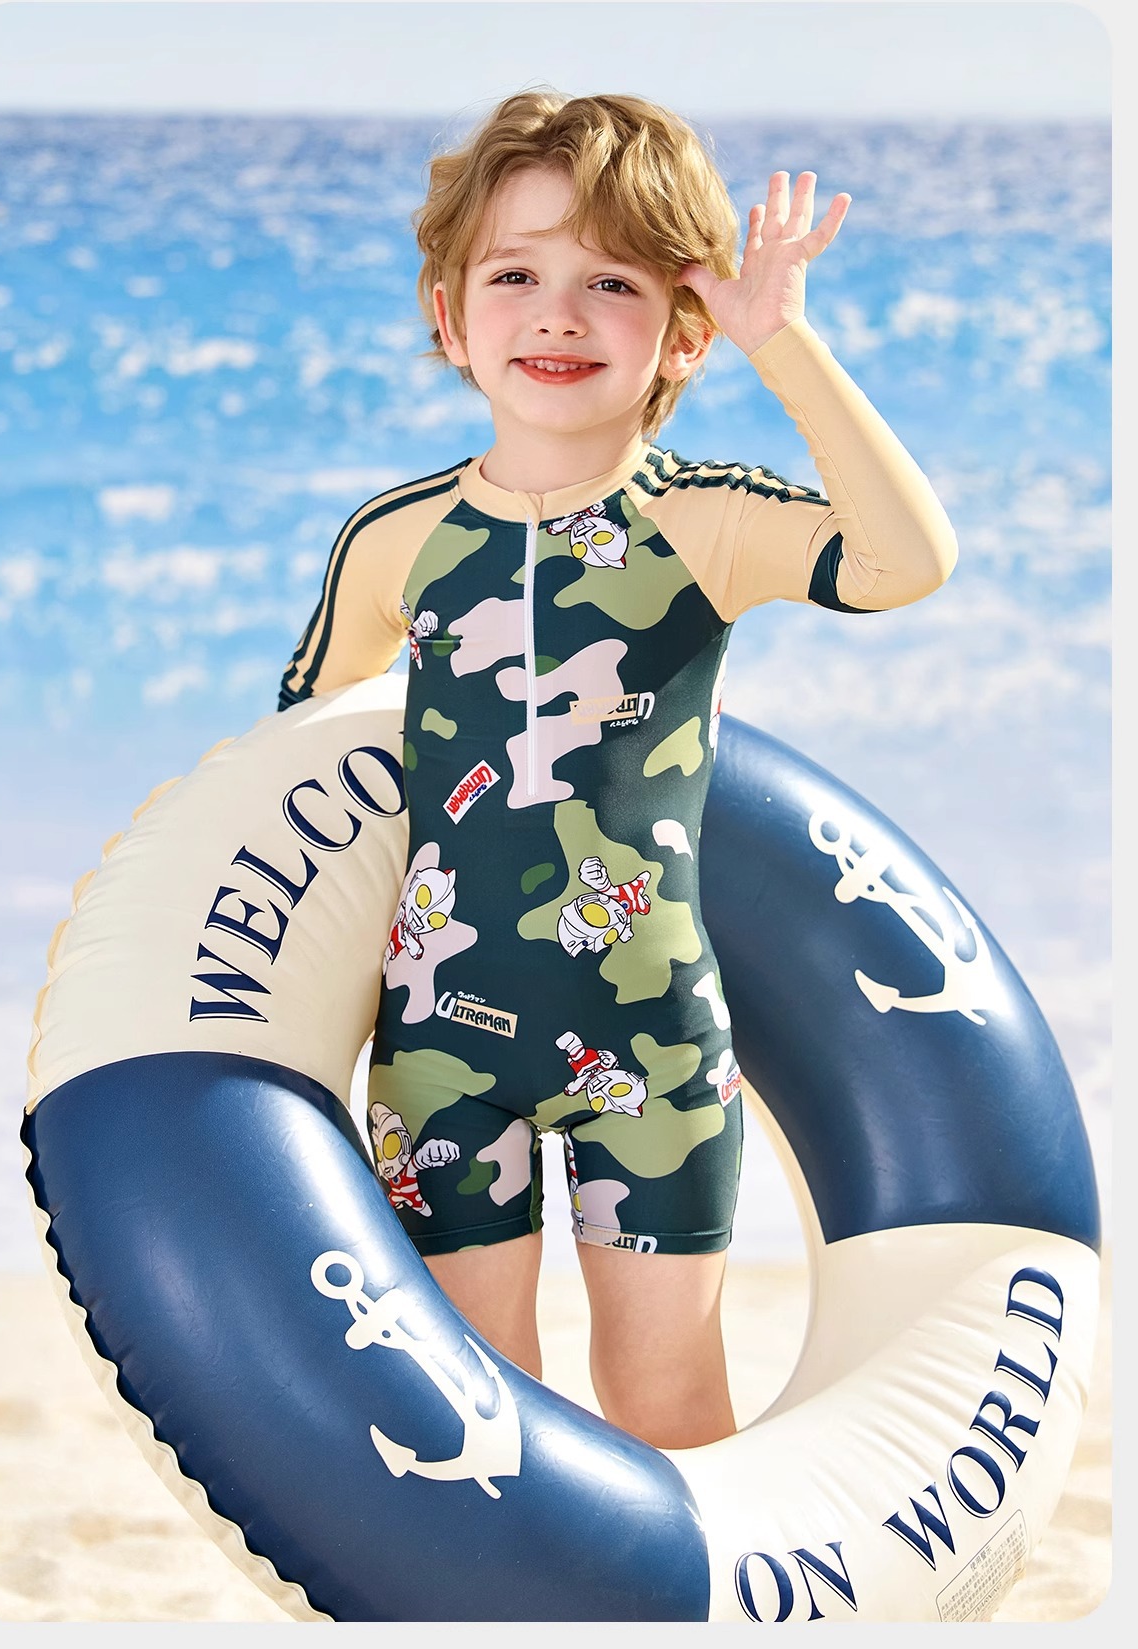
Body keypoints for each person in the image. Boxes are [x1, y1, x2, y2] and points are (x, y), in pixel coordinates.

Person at [278, 90, 957, 1450]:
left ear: (684, 332)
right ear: (447, 316)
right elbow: (297, 770)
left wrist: (786, 345)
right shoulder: (395, 539)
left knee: (666, 1401)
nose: (558, 315)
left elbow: (906, 561)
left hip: (655, 1048)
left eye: (613, 283)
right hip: (438, 1047)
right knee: (482, 1404)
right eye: (514, 276)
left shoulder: (701, 521)